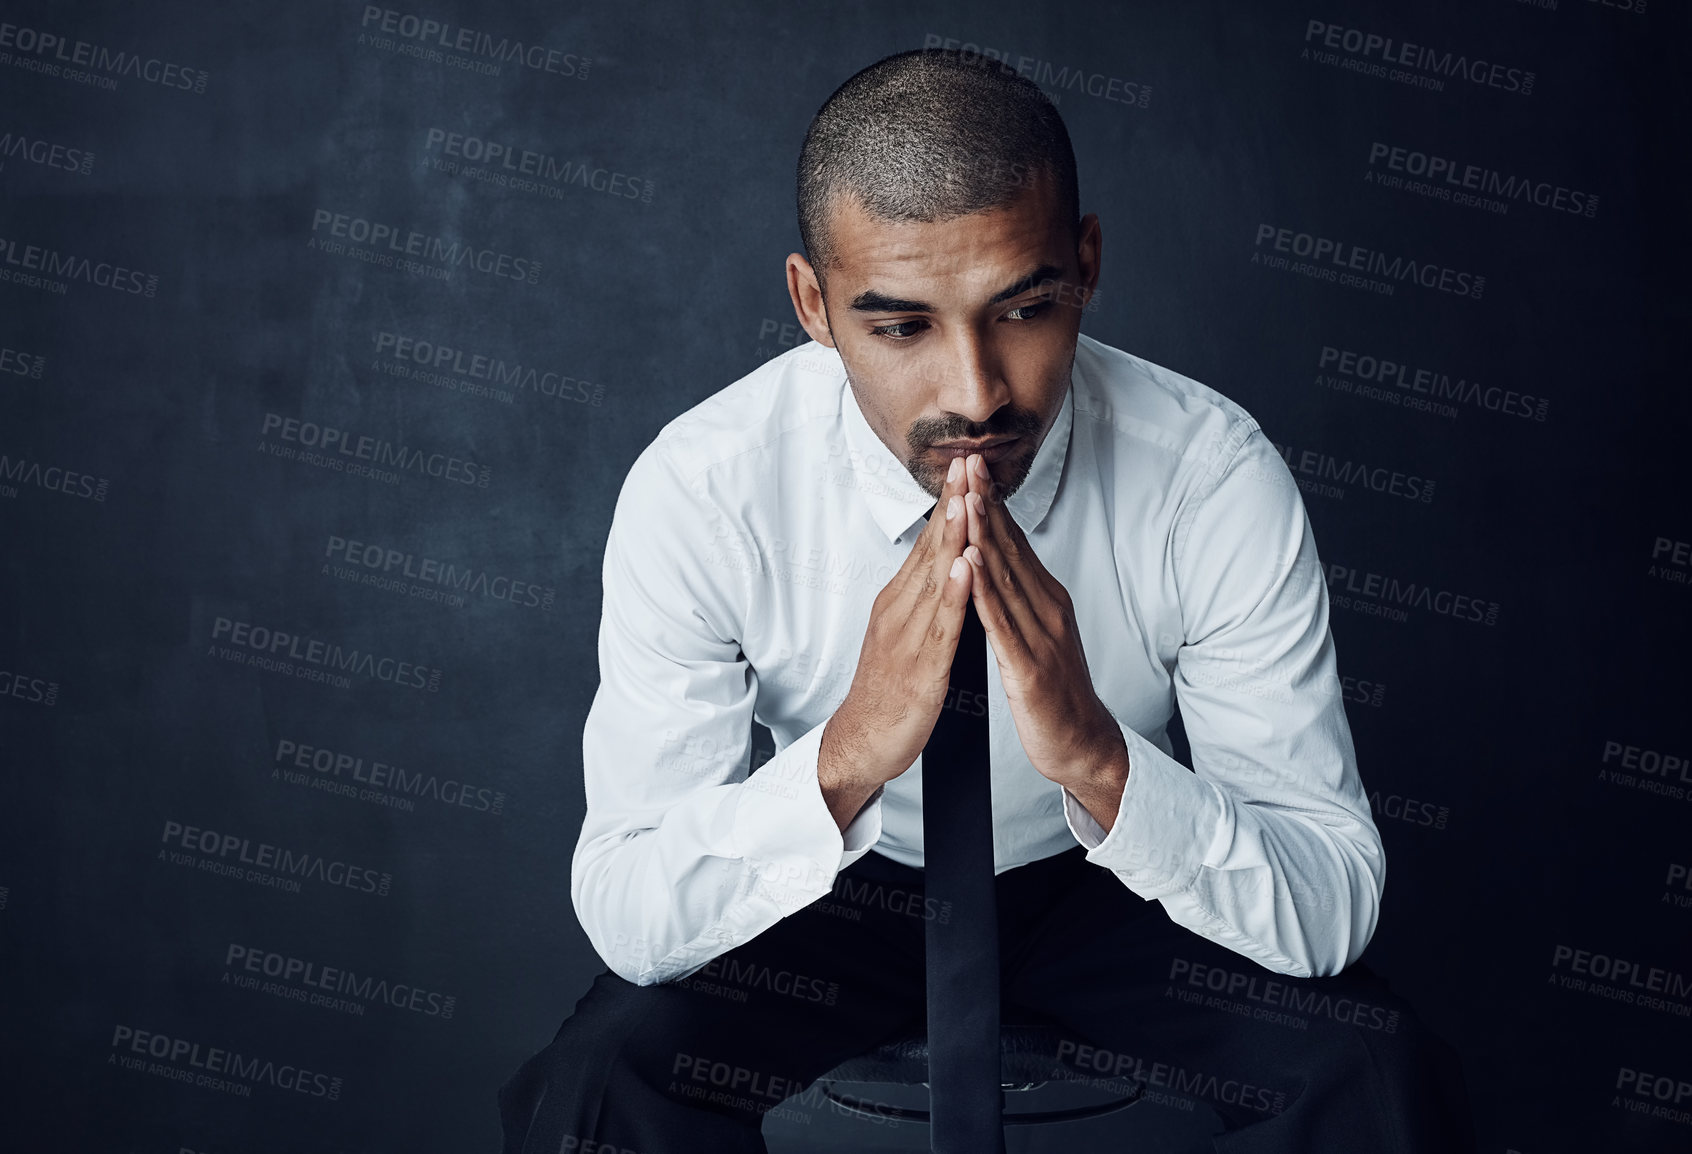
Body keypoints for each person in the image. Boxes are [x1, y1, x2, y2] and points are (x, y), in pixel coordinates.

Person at [498, 47, 1475, 1153]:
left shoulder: (1206, 475)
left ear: (1085, 264)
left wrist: (1101, 759)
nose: (975, 392)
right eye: (901, 326)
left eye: (1022, 308)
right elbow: (630, 905)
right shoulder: (705, 489)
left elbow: (1330, 902)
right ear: (813, 305)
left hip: (1112, 883)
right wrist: (848, 750)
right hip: (841, 887)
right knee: (596, 1085)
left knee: (1371, 1072)